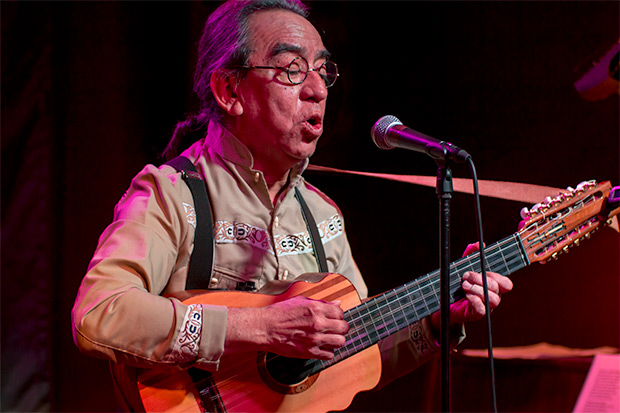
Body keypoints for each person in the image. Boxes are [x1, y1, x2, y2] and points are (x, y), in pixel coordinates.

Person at [71, 0, 513, 410]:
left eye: (323, 71)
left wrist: (438, 322)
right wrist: (262, 328)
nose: (318, 89)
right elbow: (98, 313)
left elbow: (355, 359)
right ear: (230, 91)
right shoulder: (172, 193)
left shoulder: (323, 216)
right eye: (292, 70)